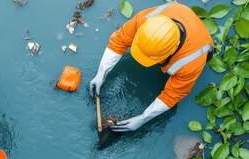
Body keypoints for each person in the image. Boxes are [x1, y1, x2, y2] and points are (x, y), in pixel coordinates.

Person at [90, 2, 214, 132]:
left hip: (201, 40)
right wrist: (101, 74)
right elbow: (120, 40)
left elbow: (172, 95)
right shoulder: (145, 20)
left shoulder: (191, 62)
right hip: (180, 12)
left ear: (170, 53)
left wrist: (142, 119)